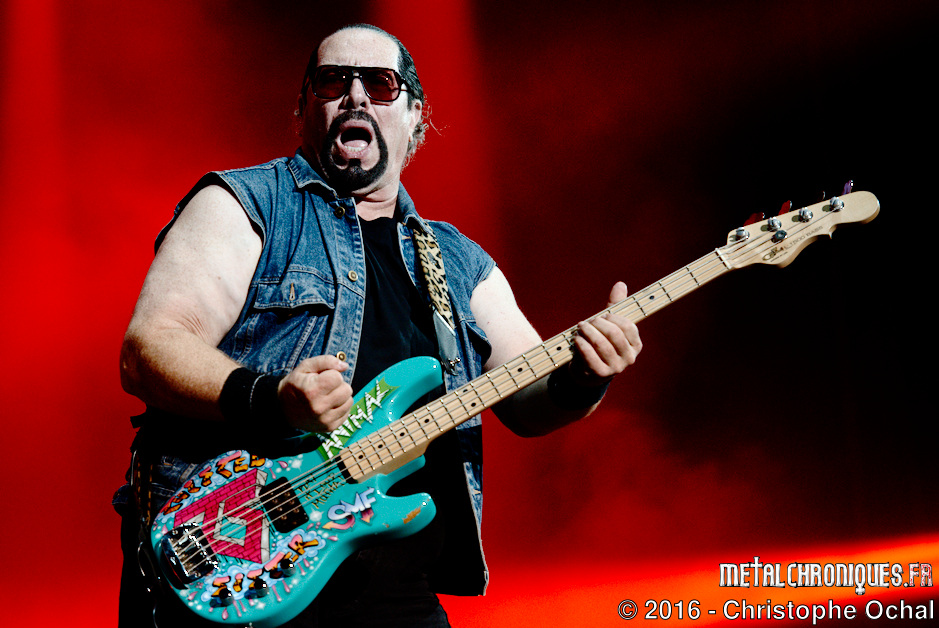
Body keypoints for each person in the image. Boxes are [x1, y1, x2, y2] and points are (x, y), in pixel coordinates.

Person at [114, 23, 642, 627]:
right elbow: (149, 348)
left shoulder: (459, 262)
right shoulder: (246, 204)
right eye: (333, 81)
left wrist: (584, 376)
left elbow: (528, 401)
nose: (356, 96)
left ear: (415, 116)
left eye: (381, 84)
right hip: (237, 571)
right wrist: (272, 397)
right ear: (304, 108)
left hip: (399, 594)